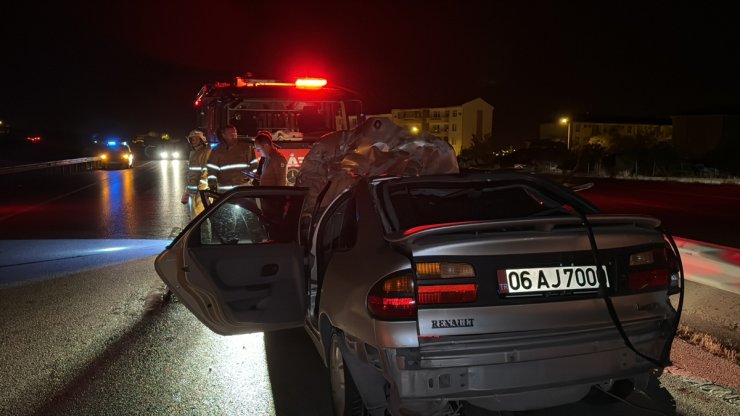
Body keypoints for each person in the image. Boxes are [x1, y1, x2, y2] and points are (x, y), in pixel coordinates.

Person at [206, 124, 255, 192]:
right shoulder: (216, 150)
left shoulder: (246, 148)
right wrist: (212, 186)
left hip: (242, 189)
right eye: (230, 134)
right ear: (224, 135)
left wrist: (254, 181)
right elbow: (212, 170)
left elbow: (254, 165)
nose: (233, 135)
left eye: (235, 133)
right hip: (225, 192)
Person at [181, 129, 211, 218]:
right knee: (195, 218)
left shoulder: (205, 152)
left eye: (195, 139)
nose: (193, 141)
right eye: (191, 139)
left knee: (200, 220)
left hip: (200, 193)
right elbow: (192, 175)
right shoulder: (194, 153)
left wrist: (201, 191)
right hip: (194, 193)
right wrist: (187, 191)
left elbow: (206, 172)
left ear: (201, 139)